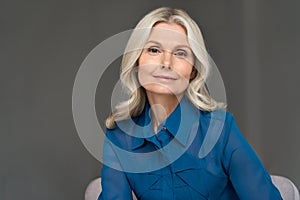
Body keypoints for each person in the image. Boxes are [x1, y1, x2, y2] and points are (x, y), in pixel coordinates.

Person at [98, 7, 282, 200]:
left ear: (193, 70)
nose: (166, 63)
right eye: (154, 50)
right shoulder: (120, 136)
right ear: (136, 62)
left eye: (180, 53)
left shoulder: (219, 130)